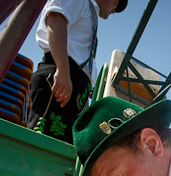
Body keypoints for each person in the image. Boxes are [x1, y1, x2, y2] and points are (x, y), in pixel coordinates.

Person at [27, 0, 127, 143]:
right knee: (42, 143)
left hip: (75, 87)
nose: (114, 9)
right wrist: (63, 70)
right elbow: (56, 19)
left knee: (61, 151)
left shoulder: (89, 12)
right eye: (116, 2)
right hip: (61, 79)